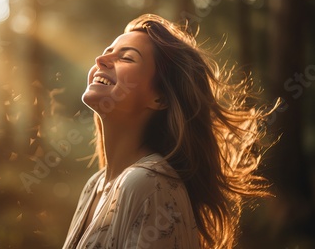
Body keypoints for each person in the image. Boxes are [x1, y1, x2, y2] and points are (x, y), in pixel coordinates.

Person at [62, 14, 278, 249]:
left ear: (160, 97)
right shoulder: (95, 185)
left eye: (126, 58)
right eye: (108, 50)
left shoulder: (149, 185)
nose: (101, 59)